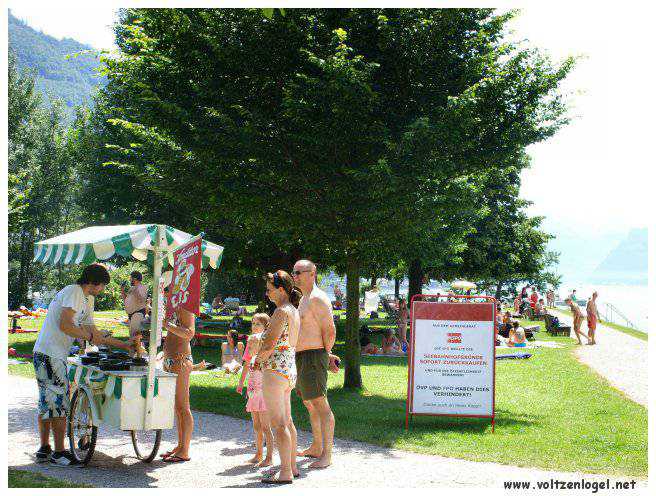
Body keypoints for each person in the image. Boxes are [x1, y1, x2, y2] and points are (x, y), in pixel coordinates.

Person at [32, 263, 134, 466]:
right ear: (94, 282)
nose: (103, 289)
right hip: (50, 353)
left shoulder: (88, 299)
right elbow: (65, 325)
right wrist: (88, 335)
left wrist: (124, 344)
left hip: (47, 352)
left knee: (48, 401)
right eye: (103, 285)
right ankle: (59, 452)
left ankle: (45, 448)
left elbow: (93, 333)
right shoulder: (75, 291)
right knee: (59, 402)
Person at [255, 271, 301, 484]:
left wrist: (257, 360)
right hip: (288, 369)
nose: (267, 293)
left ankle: (284, 472)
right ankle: (291, 466)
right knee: (288, 422)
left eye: (269, 289)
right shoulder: (293, 310)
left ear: (281, 289)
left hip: (275, 369)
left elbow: (268, 343)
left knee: (279, 424)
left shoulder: (281, 311)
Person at [292, 259, 338, 469]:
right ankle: (316, 446)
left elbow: (329, 330)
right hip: (302, 356)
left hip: (313, 356)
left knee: (320, 404)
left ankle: (327, 455)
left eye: (299, 272)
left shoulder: (318, 298)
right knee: (309, 403)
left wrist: (325, 356)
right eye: (294, 272)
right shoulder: (304, 299)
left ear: (313, 273)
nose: (295, 276)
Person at [237, 314, 274, 466]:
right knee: (257, 426)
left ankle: (269, 457)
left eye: (258, 324)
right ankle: (258, 454)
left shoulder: (265, 358)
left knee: (266, 427)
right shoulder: (252, 358)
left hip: (263, 396)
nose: (254, 326)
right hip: (253, 395)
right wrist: (242, 384)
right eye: (253, 323)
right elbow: (246, 366)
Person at [160, 306, 196, 463]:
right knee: (177, 407)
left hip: (180, 360)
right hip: (170, 360)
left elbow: (189, 333)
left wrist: (168, 325)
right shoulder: (173, 308)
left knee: (183, 406)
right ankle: (180, 446)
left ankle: (185, 450)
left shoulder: (186, 308)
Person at [121, 270, 148, 342]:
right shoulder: (132, 288)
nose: (130, 280)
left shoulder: (142, 287)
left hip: (138, 313)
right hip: (131, 314)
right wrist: (122, 291)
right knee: (134, 335)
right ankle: (137, 351)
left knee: (133, 335)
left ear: (135, 279)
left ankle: (134, 351)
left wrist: (136, 291)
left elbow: (142, 300)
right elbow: (126, 299)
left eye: (131, 278)